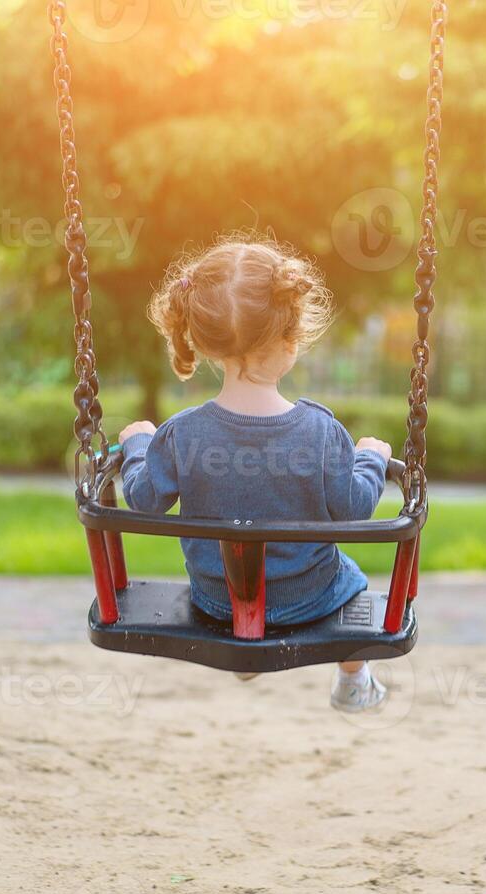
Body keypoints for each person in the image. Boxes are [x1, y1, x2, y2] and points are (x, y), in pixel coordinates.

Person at [118, 238, 391, 713]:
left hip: (217, 599)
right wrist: (371, 457)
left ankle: (245, 649)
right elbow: (355, 506)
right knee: (352, 582)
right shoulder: (321, 431)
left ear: (205, 343)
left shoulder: (182, 433)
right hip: (311, 597)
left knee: (252, 588)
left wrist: (138, 443)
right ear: (290, 342)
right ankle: (354, 683)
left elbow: (143, 499)